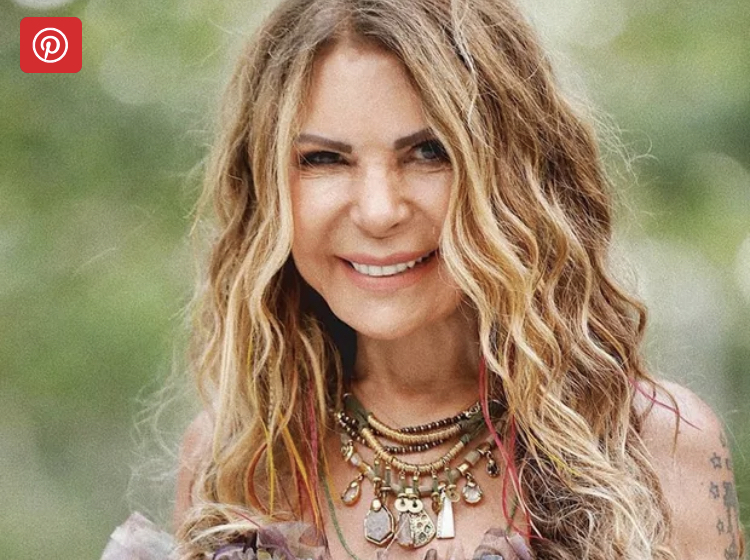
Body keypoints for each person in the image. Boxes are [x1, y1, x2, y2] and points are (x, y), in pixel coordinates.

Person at [102, 0, 744, 559]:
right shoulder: (235, 459)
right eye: (323, 159)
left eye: (429, 152)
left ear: (518, 177)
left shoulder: (659, 446)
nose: (379, 210)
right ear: (267, 192)